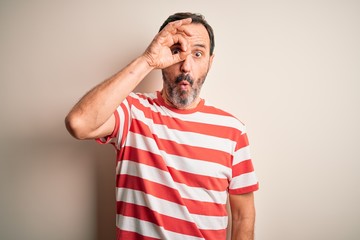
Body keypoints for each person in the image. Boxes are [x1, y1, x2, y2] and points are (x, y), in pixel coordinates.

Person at [65, 12, 259, 240]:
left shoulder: (233, 131)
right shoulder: (133, 111)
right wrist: (147, 60)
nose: (186, 66)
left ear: (210, 62)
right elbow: (79, 123)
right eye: (176, 51)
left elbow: (243, 215)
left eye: (198, 54)